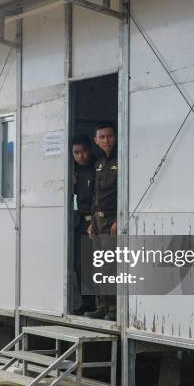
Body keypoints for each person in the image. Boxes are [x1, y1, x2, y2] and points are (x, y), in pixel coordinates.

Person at [85, 123, 118, 320]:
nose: (106, 140)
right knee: (98, 265)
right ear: (96, 140)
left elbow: (125, 191)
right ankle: (102, 307)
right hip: (97, 221)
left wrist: (119, 219)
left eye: (110, 136)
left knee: (110, 265)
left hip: (112, 219)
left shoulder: (121, 159)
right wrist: (92, 220)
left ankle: (114, 310)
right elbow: (95, 194)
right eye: (102, 137)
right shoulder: (98, 163)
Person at [71, 135, 97, 315]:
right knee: (80, 265)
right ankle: (87, 302)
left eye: (84, 151)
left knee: (97, 264)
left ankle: (100, 305)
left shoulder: (97, 167)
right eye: (76, 153)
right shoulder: (71, 171)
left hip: (95, 221)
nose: (81, 156)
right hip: (79, 222)